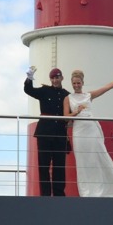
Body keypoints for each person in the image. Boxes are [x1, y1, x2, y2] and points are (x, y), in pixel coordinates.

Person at [63, 69, 113, 197]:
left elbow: (106, 87)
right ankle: (87, 192)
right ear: (71, 83)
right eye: (74, 83)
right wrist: (76, 112)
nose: (76, 85)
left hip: (91, 129)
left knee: (99, 157)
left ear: (82, 82)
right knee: (83, 161)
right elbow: (66, 117)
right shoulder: (68, 98)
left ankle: (110, 189)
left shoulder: (89, 95)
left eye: (78, 83)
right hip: (79, 131)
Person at [24, 67, 70, 196]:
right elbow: (29, 90)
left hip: (60, 134)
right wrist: (29, 78)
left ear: (62, 78)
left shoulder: (67, 94)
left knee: (59, 166)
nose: (55, 80)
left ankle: (59, 195)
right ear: (50, 79)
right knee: (43, 165)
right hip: (44, 133)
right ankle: (45, 195)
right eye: (53, 78)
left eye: (57, 77)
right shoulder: (45, 91)